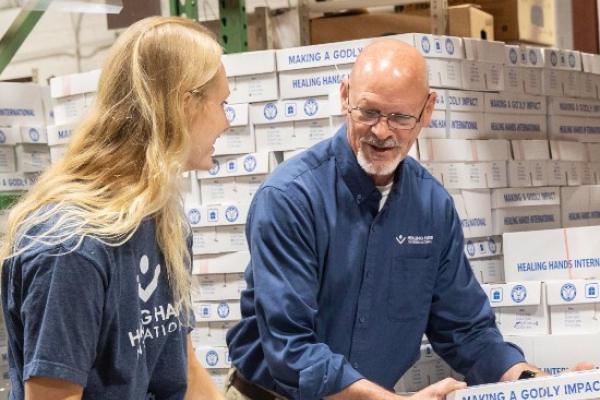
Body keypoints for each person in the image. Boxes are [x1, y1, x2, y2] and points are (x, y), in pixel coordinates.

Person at [225, 39, 549, 400]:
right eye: (369, 112)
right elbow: (292, 351)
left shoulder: (431, 207)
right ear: (345, 96)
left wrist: (540, 382)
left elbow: (468, 333)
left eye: (400, 117)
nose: (382, 131)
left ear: (427, 112)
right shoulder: (290, 199)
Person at [0, 16, 229, 400]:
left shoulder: (163, 223)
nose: (226, 122)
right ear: (184, 106)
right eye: (222, 104)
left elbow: (183, 370)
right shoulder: (72, 247)